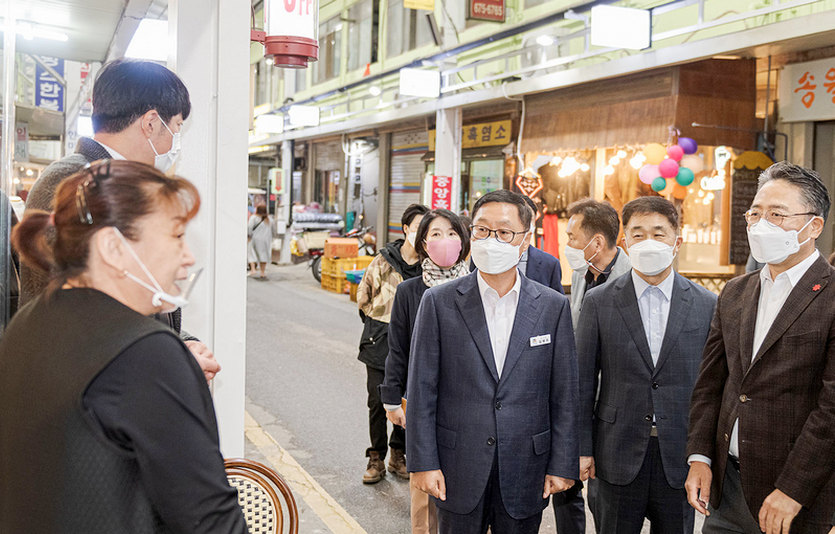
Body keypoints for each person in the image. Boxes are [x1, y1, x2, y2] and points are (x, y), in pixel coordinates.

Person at [0, 160, 246, 533]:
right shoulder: (148, 353)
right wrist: (174, 376)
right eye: (176, 236)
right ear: (113, 248)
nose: (188, 257)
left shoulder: (28, 323)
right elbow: (213, 523)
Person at [19, 58, 219, 381]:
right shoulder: (77, 183)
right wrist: (173, 365)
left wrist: (179, 346)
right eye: (177, 127)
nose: (175, 145)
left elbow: (129, 299)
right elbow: (80, 323)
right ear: (151, 123)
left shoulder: (103, 179)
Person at [407, 189, 579, 534]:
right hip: (457, 466)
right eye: (482, 230)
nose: (491, 240)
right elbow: (422, 390)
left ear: (524, 240)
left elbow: (565, 393)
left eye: (504, 232)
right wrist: (423, 463)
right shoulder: (439, 302)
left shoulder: (551, 305)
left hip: (526, 466)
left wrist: (562, 464)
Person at [686, 161, 835, 534]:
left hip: (797, 496)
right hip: (728, 488)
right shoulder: (736, 292)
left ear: (813, 225)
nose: (761, 224)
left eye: (777, 214)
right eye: (756, 213)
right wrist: (700, 456)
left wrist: (792, 489)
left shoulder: (831, 295)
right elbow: (711, 384)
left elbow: (831, 410)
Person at [577, 196, 717, 534]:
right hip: (615, 451)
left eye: (659, 233)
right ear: (625, 241)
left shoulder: (706, 303)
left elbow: (712, 387)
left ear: (676, 242)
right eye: (638, 234)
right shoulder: (599, 302)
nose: (648, 242)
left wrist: (704, 455)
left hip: (678, 453)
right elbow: (581, 381)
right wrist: (582, 448)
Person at [379, 209, 471, 534]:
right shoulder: (409, 291)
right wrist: (392, 399)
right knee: (424, 491)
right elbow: (398, 349)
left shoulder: (480, 289)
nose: (444, 240)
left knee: (467, 487)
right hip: (420, 402)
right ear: (422, 243)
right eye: (434, 234)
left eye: (451, 232)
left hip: (469, 404)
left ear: (463, 240)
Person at [551, 198, 632, 533]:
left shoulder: (633, 280)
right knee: (565, 487)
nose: (566, 244)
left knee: (604, 500)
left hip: (612, 411)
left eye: (571, 237)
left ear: (596, 242)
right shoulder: (584, 273)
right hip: (575, 399)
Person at [356, 203, 429, 483]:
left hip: (415, 344)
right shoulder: (383, 260)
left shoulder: (431, 266)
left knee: (407, 401)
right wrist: (380, 322)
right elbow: (364, 297)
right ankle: (376, 457)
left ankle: (398, 453)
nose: (421, 233)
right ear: (406, 229)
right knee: (377, 402)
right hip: (379, 340)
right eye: (417, 226)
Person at [248, 205, 273, 279]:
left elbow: (249, 227)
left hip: (255, 239)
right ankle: (262, 272)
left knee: (251, 253)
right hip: (266, 240)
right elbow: (273, 230)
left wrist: (249, 235)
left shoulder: (254, 218)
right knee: (264, 255)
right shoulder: (269, 219)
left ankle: (253, 269)